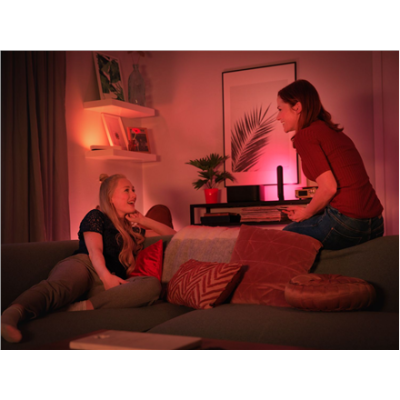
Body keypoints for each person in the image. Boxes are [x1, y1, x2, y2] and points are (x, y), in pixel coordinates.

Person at [1, 174, 176, 343]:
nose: (134, 195)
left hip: (106, 285)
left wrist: (144, 220)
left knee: (152, 284)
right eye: (127, 190)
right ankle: (11, 316)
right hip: (86, 265)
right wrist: (106, 276)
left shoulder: (133, 231)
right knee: (61, 286)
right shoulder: (96, 216)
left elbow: (174, 236)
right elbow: (94, 251)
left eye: (133, 190)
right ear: (110, 198)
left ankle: (78, 308)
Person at [276, 79, 384, 250]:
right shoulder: (333, 132)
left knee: (284, 237)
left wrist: (306, 213)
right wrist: (307, 210)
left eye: (280, 109)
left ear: (297, 107)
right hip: (376, 223)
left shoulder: (305, 135)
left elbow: (328, 188)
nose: (278, 117)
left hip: (348, 224)